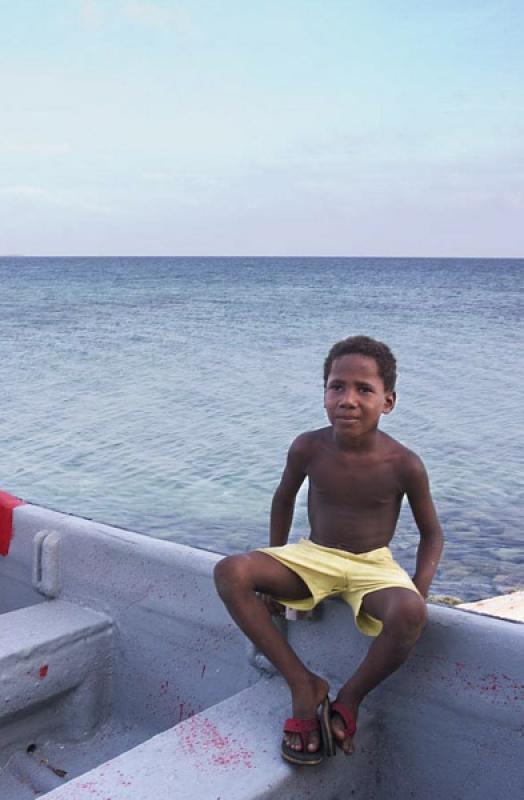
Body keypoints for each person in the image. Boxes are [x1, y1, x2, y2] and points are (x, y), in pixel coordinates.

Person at [214, 335, 444, 766]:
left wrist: (419, 587)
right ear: (324, 394)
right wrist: (274, 559)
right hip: (313, 556)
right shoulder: (308, 447)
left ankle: (350, 699)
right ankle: (304, 685)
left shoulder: (404, 463)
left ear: (388, 401)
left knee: (411, 614)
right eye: (337, 387)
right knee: (231, 572)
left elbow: (432, 534)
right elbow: (283, 500)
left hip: (372, 565)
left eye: (364, 389)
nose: (348, 400)